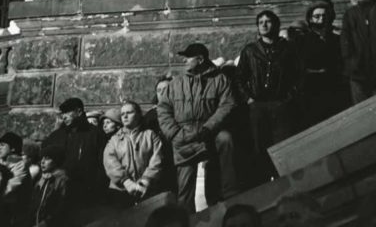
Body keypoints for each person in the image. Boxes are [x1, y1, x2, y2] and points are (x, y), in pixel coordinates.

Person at [158, 43, 239, 212]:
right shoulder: (176, 83)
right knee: (184, 191)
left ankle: (231, 201)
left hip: (210, 132)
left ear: (200, 59)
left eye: (188, 57)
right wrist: (174, 134)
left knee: (225, 139)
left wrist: (209, 128)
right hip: (184, 135)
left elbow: (227, 105)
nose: (185, 61)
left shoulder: (219, 79)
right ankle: (186, 219)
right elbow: (163, 109)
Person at [237, 11, 301, 182]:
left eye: (268, 21)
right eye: (261, 22)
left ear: (276, 25)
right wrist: (248, 99)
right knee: (260, 149)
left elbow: (299, 76)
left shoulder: (288, 49)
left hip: (281, 106)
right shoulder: (250, 51)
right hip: (258, 107)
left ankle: (285, 185)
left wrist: (289, 98)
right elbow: (239, 79)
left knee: (283, 147)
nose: (264, 25)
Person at [293, 0, 347, 127]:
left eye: (324, 16)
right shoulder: (301, 41)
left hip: (334, 88)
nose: (321, 19)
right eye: (317, 16)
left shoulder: (337, 39)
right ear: (310, 19)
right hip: (311, 90)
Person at [42, 98, 106, 205]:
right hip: (58, 193)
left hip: (86, 195)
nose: (64, 116)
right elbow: (45, 155)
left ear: (79, 112)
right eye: (63, 113)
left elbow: (101, 165)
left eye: (67, 112)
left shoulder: (96, 134)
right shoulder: (58, 135)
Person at [103, 101, 165, 207]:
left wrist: (145, 181)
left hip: (147, 189)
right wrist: (126, 182)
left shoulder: (150, 135)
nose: (125, 116)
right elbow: (110, 162)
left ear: (138, 114)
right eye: (122, 114)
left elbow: (157, 159)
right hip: (120, 191)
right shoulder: (114, 139)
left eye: (129, 112)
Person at [0, 132, 32, 227]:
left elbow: (9, 188)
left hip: (16, 213)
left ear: (13, 148)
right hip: (2, 209)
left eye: (2, 145)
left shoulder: (20, 165)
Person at [31, 145, 70, 227]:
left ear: (56, 161)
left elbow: (62, 206)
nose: (42, 161)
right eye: (42, 158)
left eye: (47, 158)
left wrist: (46, 222)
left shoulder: (62, 180)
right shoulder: (41, 178)